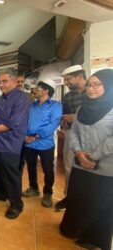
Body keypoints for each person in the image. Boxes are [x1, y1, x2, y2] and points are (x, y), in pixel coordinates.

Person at [60, 69, 113, 250]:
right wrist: (79, 153)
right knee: (79, 199)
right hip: (80, 164)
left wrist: (92, 156)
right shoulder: (83, 108)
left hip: (105, 166)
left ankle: (97, 240)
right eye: (89, 85)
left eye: (97, 85)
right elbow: (73, 131)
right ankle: (76, 231)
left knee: (101, 204)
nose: (91, 89)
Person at [0, 69, 30, 219]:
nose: (1, 85)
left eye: (4, 81)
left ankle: (16, 204)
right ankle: (0, 193)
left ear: (14, 81)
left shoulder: (22, 98)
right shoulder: (1, 98)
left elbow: (12, 123)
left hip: (9, 143)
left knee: (11, 175)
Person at [21, 79, 62, 208]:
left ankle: (48, 193)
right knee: (31, 168)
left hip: (45, 144)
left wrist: (34, 137)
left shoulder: (56, 106)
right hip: (28, 143)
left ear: (46, 90)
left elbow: (53, 124)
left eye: (37, 88)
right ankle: (33, 188)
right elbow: (24, 121)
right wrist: (25, 137)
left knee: (48, 169)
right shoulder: (31, 106)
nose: (34, 90)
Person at [55, 65, 86, 211]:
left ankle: (86, 200)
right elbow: (65, 116)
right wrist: (64, 121)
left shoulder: (94, 93)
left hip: (92, 137)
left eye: (68, 80)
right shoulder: (67, 96)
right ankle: (68, 197)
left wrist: (76, 117)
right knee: (69, 167)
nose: (66, 83)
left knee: (88, 169)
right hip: (71, 134)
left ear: (79, 76)